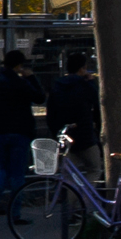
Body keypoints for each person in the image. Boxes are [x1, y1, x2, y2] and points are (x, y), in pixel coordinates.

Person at [0, 50, 47, 218]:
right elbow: (40, 98)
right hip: (20, 131)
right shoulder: (21, 83)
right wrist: (31, 77)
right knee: (17, 173)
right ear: (19, 65)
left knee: (3, 168)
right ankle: (15, 213)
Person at [46, 49, 103, 179]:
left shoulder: (57, 86)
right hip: (85, 134)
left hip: (65, 135)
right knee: (94, 168)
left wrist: (56, 131)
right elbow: (97, 106)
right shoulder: (85, 86)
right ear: (83, 68)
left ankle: (73, 198)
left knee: (70, 175)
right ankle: (86, 198)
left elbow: (51, 113)